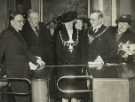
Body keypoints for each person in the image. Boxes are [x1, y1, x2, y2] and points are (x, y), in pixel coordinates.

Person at [0, 12, 45, 102]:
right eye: (19, 21)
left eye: (23, 21)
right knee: (22, 99)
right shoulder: (7, 34)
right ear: (12, 22)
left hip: (23, 72)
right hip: (15, 73)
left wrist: (36, 60)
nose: (22, 24)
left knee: (25, 98)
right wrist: (2, 70)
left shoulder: (18, 33)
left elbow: (25, 51)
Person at [22, 10, 54, 102]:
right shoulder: (24, 30)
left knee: (46, 87)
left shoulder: (43, 27)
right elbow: (24, 48)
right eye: (34, 18)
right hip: (33, 64)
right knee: (36, 88)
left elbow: (49, 42)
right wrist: (34, 59)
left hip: (46, 62)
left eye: (37, 18)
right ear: (28, 19)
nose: (37, 20)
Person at [54, 11, 87, 102]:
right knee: (65, 94)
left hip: (77, 69)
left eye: (71, 22)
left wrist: (82, 66)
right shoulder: (59, 34)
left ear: (74, 22)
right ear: (63, 23)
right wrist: (68, 63)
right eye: (66, 23)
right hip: (64, 69)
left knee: (76, 95)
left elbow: (83, 51)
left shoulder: (79, 33)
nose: (68, 24)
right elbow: (58, 52)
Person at [84, 10, 115, 77]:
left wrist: (103, 58)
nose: (90, 22)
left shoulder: (108, 31)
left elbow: (113, 49)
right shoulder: (86, 31)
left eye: (93, 20)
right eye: (90, 19)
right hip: (87, 65)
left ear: (100, 19)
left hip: (101, 67)